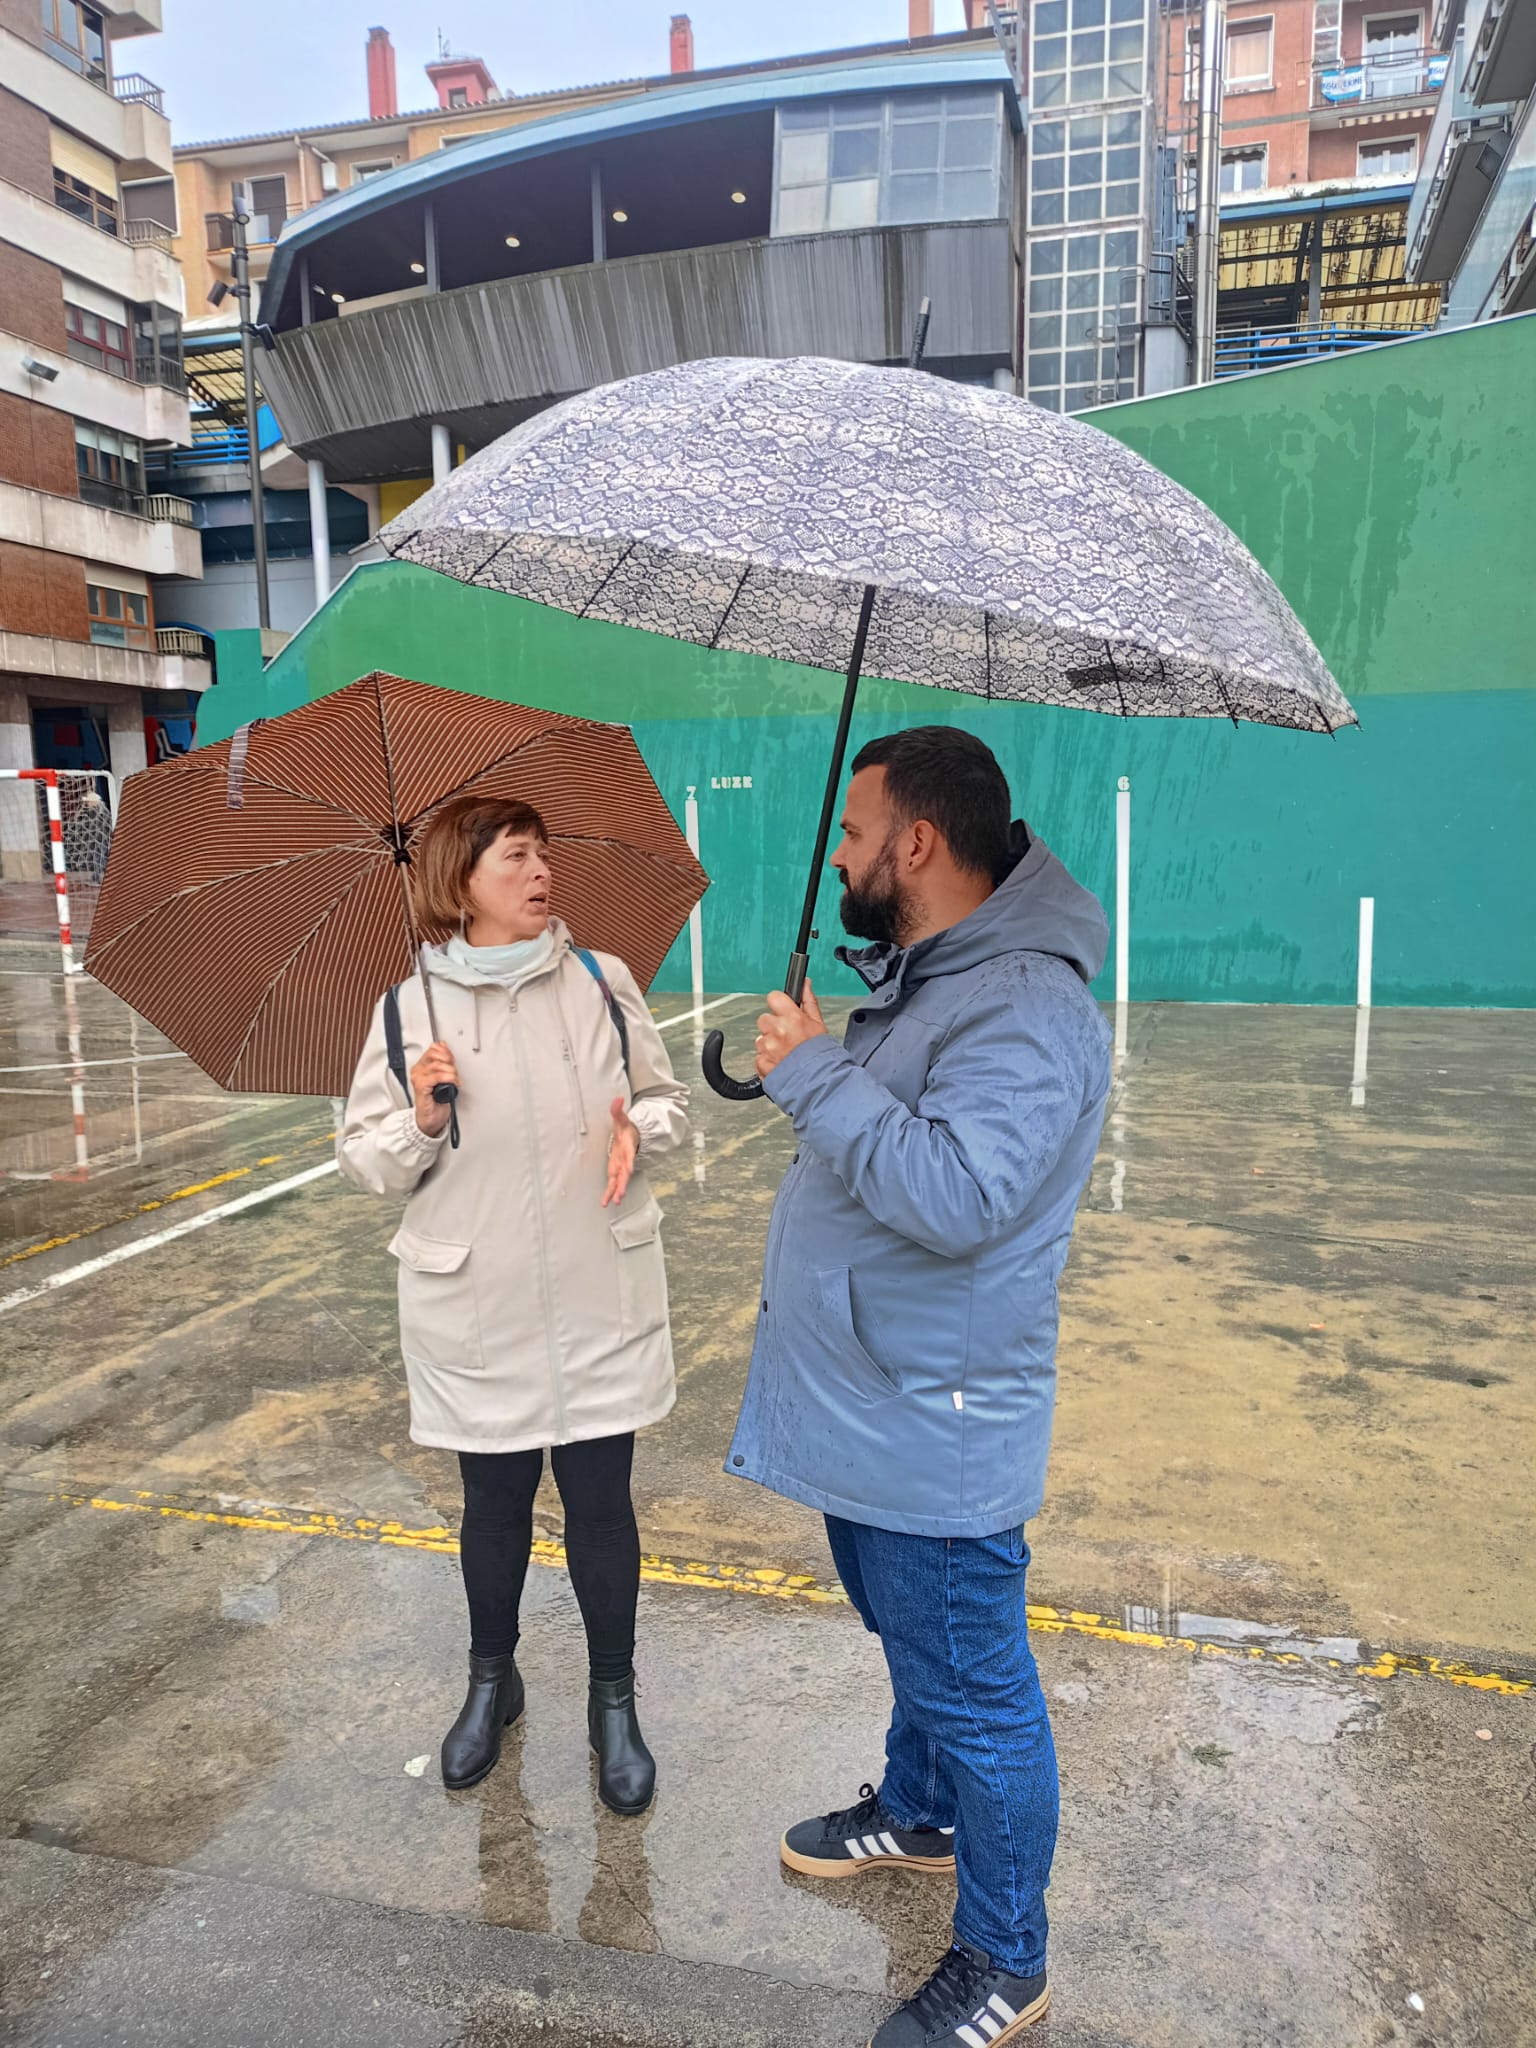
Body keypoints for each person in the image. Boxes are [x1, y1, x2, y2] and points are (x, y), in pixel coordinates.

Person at [728, 727, 1111, 2047]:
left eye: (854, 831)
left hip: (933, 1423)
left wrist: (812, 1070)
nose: (839, 853)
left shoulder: (1025, 1005)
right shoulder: (938, 978)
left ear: (920, 842)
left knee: (976, 1692)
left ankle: (1006, 1956)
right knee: (918, 1643)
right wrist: (821, 1063)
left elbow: (958, 1193)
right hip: (878, 1403)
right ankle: (920, 1810)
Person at [338, 794, 688, 1814]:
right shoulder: (407, 1012)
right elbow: (365, 1160)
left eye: (544, 853)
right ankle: (493, 1679)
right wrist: (421, 1117)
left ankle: (614, 1701)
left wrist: (642, 1131)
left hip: (596, 1289)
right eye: (517, 857)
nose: (542, 872)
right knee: (493, 1504)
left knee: (601, 1502)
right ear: (461, 878)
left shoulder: (601, 981)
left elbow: (665, 1099)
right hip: (476, 1302)